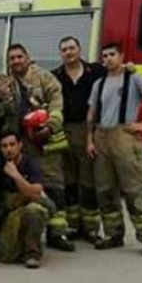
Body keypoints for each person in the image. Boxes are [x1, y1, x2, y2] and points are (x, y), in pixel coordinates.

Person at [0, 44, 75, 253]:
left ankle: (58, 233)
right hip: (19, 145)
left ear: (28, 57)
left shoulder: (44, 78)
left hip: (45, 142)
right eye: (12, 58)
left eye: (20, 56)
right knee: (21, 187)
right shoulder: (4, 84)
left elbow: (57, 105)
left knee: (54, 186)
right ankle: (26, 231)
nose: (16, 61)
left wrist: (49, 127)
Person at [86, 42, 142, 257]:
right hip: (101, 137)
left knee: (134, 189)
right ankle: (114, 234)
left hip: (125, 138)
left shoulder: (134, 78)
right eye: (105, 55)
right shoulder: (99, 83)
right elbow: (91, 114)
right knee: (105, 190)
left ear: (121, 56)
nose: (108, 58)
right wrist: (89, 140)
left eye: (112, 54)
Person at [52, 36, 105, 242]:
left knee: (89, 180)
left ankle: (91, 228)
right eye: (64, 49)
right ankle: (73, 226)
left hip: (88, 130)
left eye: (72, 48)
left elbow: (118, 76)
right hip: (64, 130)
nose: (69, 52)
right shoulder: (55, 75)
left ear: (80, 49)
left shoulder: (97, 71)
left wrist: (130, 68)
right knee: (69, 180)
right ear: (61, 54)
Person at [0, 132, 48, 268]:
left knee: (35, 210)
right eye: (4, 146)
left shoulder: (31, 164)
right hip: (5, 210)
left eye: (12, 144)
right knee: (6, 254)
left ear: (20, 145)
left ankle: (32, 254)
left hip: (25, 206)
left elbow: (36, 191)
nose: (8, 149)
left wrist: (16, 176)